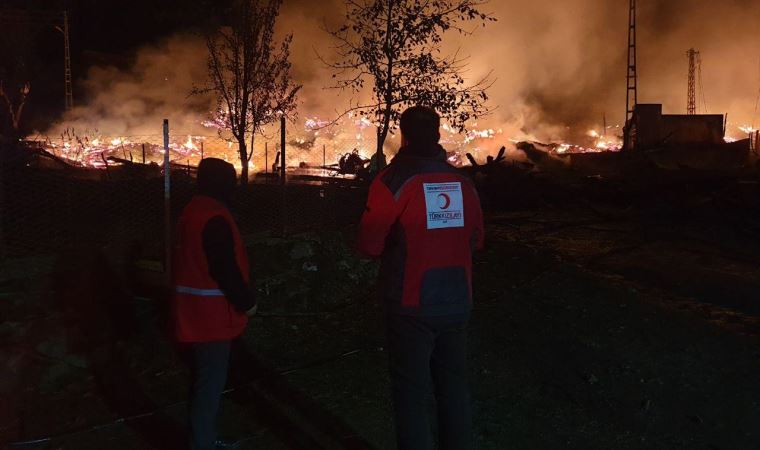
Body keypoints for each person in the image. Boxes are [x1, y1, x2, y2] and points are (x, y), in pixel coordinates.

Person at [357, 106, 485, 450]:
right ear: (439, 135)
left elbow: (369, 244)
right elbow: (476, 240)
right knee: (454, 387)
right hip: (457, 301)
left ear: (404, 136)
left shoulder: (393, 181)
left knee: (411, 394)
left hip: (411, 304)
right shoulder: (463, 183)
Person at [171, 158, 257, 450]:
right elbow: (224, 269)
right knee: (209, 385)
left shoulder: (191, 211)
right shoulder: (214, 216)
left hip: (191, 311)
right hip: (212, 317)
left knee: (202, 380)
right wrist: (246, 302)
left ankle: (203, 437)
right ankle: (203, 443)